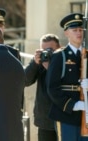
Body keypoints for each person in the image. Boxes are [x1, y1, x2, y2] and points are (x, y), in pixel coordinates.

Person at [46, 13, 88, 141]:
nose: (78, 33)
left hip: (85, 115)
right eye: (74, 30)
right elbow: (52, 88)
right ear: (66, 33)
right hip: (66, 114)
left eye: (81, 30)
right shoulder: (60, 56)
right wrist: (74, 105)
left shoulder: (86, 55)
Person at [25, 34, 60, 141]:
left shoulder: (64, 61)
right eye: (44, 50)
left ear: (58, 48)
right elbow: (25, 81)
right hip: (45, 118)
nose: (47, 53)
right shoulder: (39, 62)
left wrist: (51, 68)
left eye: (50, 50)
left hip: (63, 117)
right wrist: (34, 63)